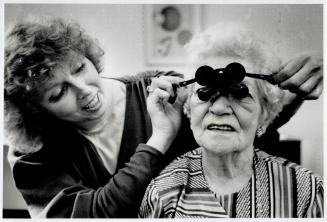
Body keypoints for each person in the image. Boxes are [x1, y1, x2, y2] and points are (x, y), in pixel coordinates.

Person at [4, 17, 322, 218]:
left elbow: (228, 127)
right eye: (58, 93)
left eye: (79, 68)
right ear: (34, 111)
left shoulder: (162, 91)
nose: (84, 90)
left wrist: (288, 100)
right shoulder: (34, 159)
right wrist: (159, 140)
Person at [139, 22, 323, 218]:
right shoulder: (163, 194)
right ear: (189, 109)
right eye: (204, 92)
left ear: (265, 113)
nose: (218, 108)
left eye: (240, 93)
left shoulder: (307, 193)